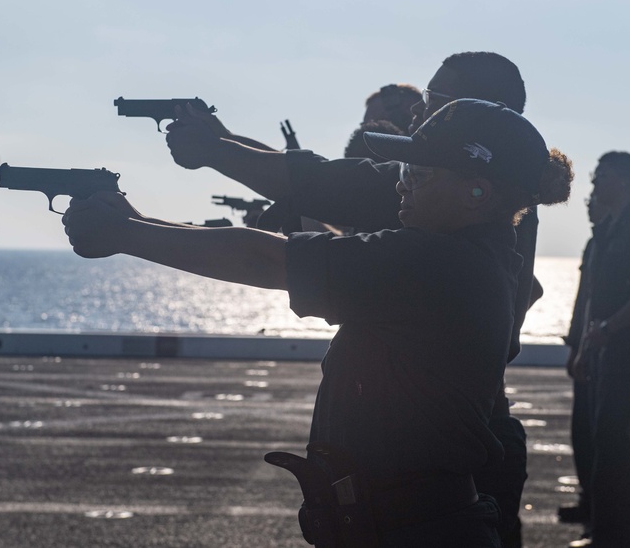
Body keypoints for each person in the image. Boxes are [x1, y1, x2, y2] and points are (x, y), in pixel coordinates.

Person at [63, 99, 574, 546]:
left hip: (413, 528)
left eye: (418, 175)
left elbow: (268, 261)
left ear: (477, 193)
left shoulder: (437, 263)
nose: (401, 187)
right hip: (408, 523)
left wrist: (125, 234)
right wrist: (132, 225)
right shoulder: (472, 259)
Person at [167, 51, 539, 545]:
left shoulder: (444, 199)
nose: (418, 112)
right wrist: (221, 141)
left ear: (478, 114)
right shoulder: (484, 194)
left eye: (434, 100)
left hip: (432, 464)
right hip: (456, 438)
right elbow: (315, 179)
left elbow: (311, 187)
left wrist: (208, 154)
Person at [570, 152, 630, 548]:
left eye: (602, 176)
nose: (593, 182)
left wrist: (609, 329)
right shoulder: (606, 231)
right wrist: (582, 348)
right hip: (601, 350)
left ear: (625, 180)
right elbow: (595, 293)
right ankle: (614, 526)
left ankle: (618, 533)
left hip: (629, 350)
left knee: (615, 441)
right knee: (604, 439)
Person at [559, 194, 609, 536]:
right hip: (584, 346)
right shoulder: (596, 242)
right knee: (582, 432)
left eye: (596, 195)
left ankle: (612, 510)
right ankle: (590, 499)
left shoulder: (615, 239)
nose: (589, 202)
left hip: (601, 351)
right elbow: (583, 299)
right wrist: (574, 343)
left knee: (607, 432)